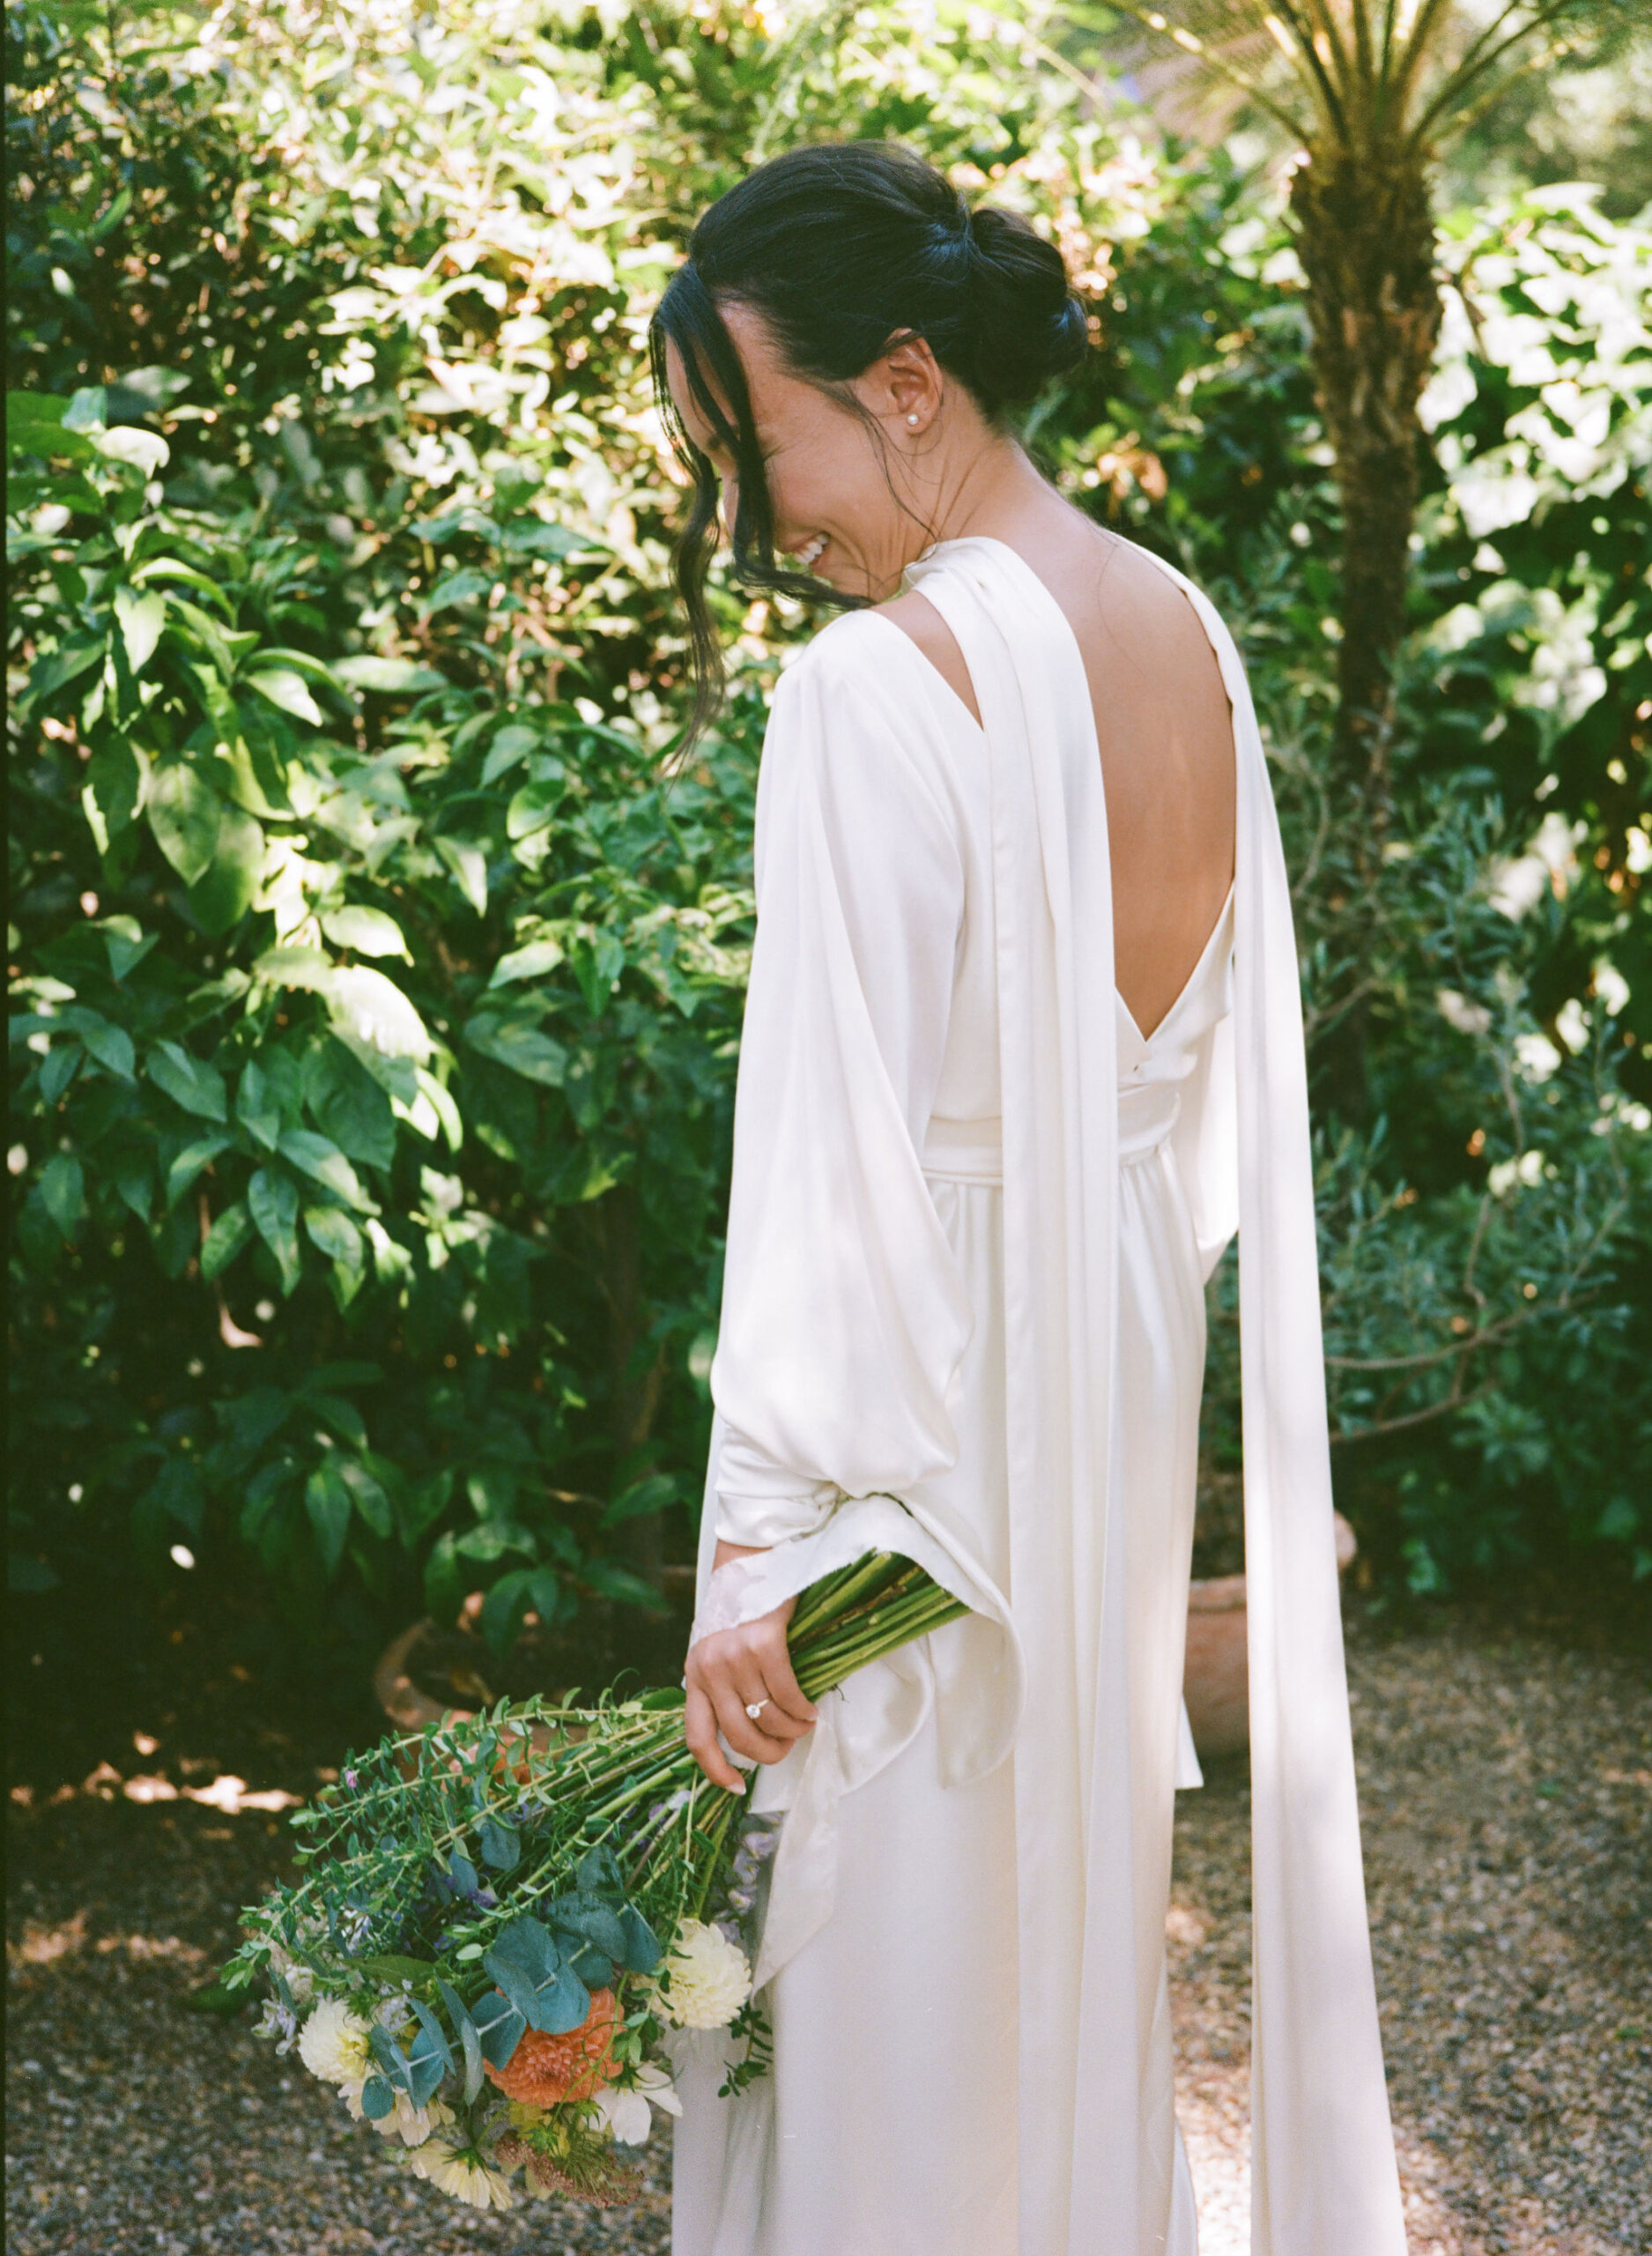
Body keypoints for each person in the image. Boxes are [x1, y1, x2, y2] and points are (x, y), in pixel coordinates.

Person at [648, 140, 1406, 2256]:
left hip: (918, 1426)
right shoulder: (1188, 638)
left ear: (901, 385)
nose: (755, 519)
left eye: (757, 442)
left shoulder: (872, 692)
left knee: (882, 1969)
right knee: (1059, 1939)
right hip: (1108, 1364)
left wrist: (752, 1559)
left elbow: (835, 1155)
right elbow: (1195, 1133)